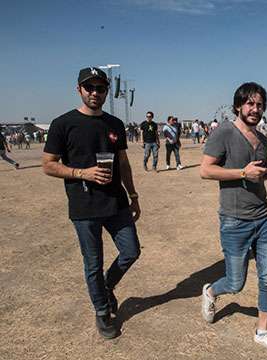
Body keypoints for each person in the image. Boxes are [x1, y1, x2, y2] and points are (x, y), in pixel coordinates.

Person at [42, 67, 141, 339]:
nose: (95, 93)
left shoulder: (114, 124)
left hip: (117, 203)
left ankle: (105, 288)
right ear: (79, 90)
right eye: (90, 88)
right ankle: (101, 311)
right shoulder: (62, 124)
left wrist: (132, 196)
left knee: (131, 251)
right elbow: (48, 165)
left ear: (107, 91)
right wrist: (80, 173)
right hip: (84, 207)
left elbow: (123, 162)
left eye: (100, 88)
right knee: (93, 263)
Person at [199, 82, 267, 357]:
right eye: (250, 103)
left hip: (262, 217)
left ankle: (263, 332)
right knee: (236, 283)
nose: (255, 109)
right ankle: (211, 293)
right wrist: (240, 172)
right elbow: (205, 170)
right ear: (238, 105)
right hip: (234, 220)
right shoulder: (224, 131)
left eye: (260, 104)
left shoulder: (262, 140)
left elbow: (259, 175)